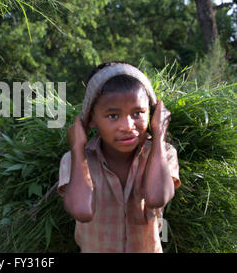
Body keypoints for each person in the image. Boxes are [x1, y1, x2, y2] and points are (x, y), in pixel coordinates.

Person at [58, 61, 181, 253]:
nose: (127, 126)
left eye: (138, 113)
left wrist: (159, 135)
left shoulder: (162, 153)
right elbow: (82, 210)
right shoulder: (75, 160)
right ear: (91, 119)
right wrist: (77, 148)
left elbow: (157, 198)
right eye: (113, 116)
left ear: (153, 113)